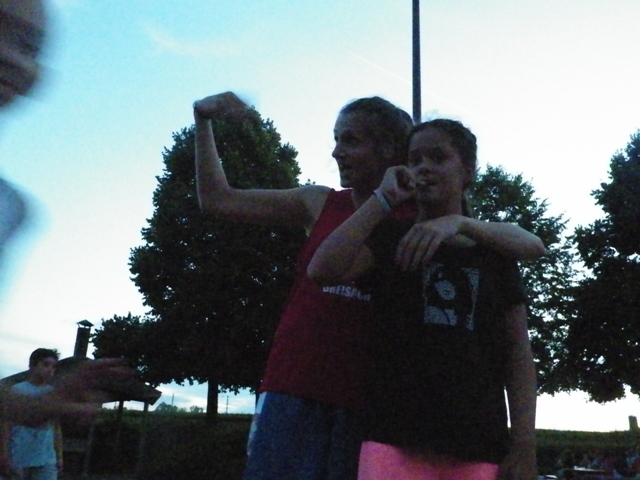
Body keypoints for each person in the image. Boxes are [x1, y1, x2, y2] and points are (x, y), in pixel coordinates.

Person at [193, 93, 544, 480]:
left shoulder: (418, 219)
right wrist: (202, 121)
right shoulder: (332, 206)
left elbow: (523, 247)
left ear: (388, 150)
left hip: (369, 404)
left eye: (350, 140)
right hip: (299, 385)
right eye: (337, 139)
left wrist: (457, 222)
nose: (337, 151)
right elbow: (220, 202)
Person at [308, 119, 538, 480]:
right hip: (392, 438)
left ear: (468, 170)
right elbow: (322, 269)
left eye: (438, 157)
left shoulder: (495, 251)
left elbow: (518, 354)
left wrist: (524, 444)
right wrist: (381, 199)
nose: (424, 167)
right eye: (414, 160)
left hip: (478, 442)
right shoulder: (391, 237)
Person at [1, 349, 63, 480]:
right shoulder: (17, 390)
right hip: (18, 455)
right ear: (32, 366)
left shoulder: (53, 394)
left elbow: (56, 427)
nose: (50, 370)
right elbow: (6, 426)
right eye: (45, 364)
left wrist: (59, 456)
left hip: (46, 458)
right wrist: (4, 455)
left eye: (53, 366)